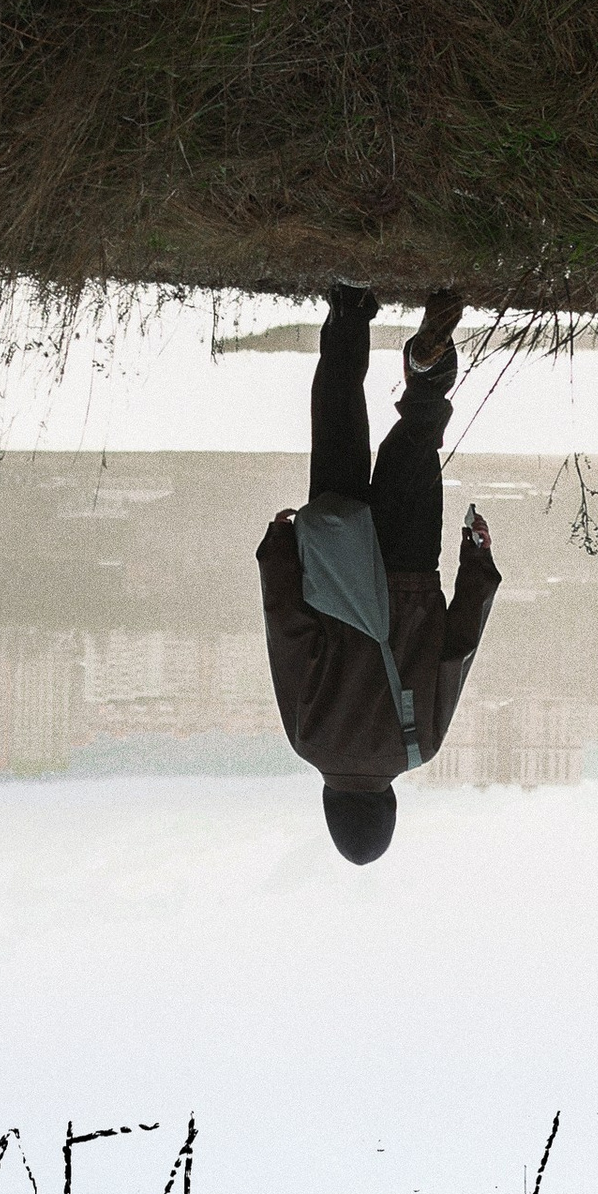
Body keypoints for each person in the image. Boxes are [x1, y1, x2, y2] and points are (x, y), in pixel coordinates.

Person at [258, 284, 501, 866]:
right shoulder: (309, 740)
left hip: (411, 567)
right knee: (338, 424)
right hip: (336, 559)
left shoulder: (420, 747)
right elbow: (289, 633)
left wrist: (477, 560)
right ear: (331, 807)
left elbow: (458, 648)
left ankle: (428, 368)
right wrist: (278, 550)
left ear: (389, 808)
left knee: (418, 434)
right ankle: (349, 304)